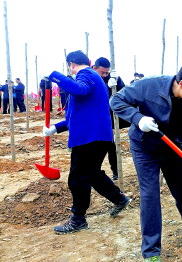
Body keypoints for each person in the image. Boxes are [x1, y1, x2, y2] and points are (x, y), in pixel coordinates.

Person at [110, 62, 182, 262]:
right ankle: (151, 251)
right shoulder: (150, 86)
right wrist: (137, 118)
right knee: (150, 195)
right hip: (145, 148)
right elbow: (116, 100)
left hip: (174, 147)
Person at [43, 50, 131, 235]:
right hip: (95, 136)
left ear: (71, 64)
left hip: (90, 138)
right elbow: (79, 115)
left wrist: (54, 76)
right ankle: (119, 199)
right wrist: (55, 128)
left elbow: (80, 89)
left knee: (77, 178)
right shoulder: (90, 77)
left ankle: (78, 219)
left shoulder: (86, 74)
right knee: (92, 174)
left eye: (69, 68)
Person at [92, 57, 128, 180]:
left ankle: (116, 172)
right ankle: (94, 170)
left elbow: (124, 93)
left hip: (111, 117)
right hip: (96, 118)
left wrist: (116, 83)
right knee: (98, 146)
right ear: (94, 68)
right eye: (102, 72)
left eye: (106, 72)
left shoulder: (112, 78)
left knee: (112, 146)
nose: (105, 75)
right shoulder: (90, 78)